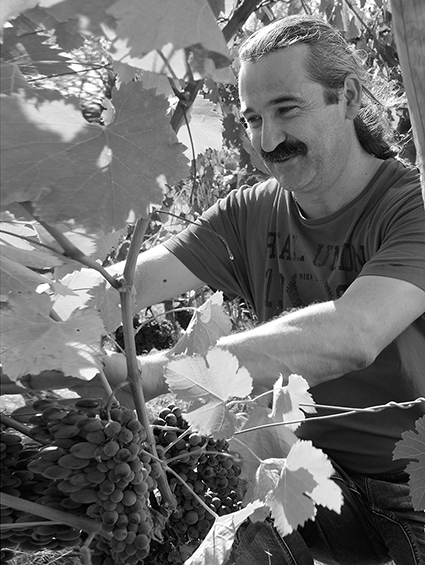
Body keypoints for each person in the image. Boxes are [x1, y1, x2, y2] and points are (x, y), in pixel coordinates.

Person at [5, 14, 424, 565]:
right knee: (189, 512)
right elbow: (126, 286)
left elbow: (354, 334)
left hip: (414, 488)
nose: (268, 139)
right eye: (253, 118)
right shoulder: (249, 212)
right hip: (305, 476)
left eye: (287, 109)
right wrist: (32, 332)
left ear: (346, 97)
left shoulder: (412, 206)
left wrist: (155, 373)